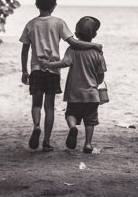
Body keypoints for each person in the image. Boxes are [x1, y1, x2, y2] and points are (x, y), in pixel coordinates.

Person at [19, 0, 102, 152]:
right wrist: (94, 45)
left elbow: (24, 50)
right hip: (53, 71)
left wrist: (24, 71)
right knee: (49, 107)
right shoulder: (58, 22)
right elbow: (74, 43)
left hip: (36, 69)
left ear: (36, 4)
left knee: (36, 104)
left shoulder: (30, 24)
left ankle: (36, 126)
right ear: (55, 5)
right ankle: (47, 141)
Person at [40, 16, 107, 153]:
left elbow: (64, 63)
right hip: (92, 94)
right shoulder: (97, 52)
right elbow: (101, 74)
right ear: (94, 35)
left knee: (70, 114)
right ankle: (88, 144)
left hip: (74, 93)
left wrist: (48, 64)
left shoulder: (72, 49)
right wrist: (97, 82)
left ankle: (72, 127)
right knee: (90, 121)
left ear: (76, 34)